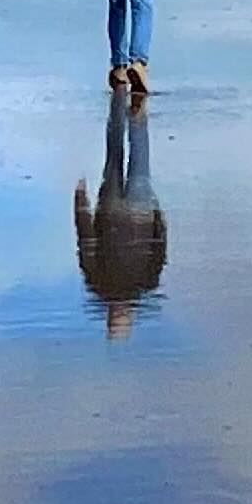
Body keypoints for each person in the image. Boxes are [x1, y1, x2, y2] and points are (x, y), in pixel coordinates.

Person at [75, 88, 167, 340]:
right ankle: (122, 107)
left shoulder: (145, 284)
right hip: (113, 214)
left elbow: (159, 250)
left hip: (139, 215)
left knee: (139, 162)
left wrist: (159, 216)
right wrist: (80, 202)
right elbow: (86, 243)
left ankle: (136, 114)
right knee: (114, 157)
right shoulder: (100, 285)